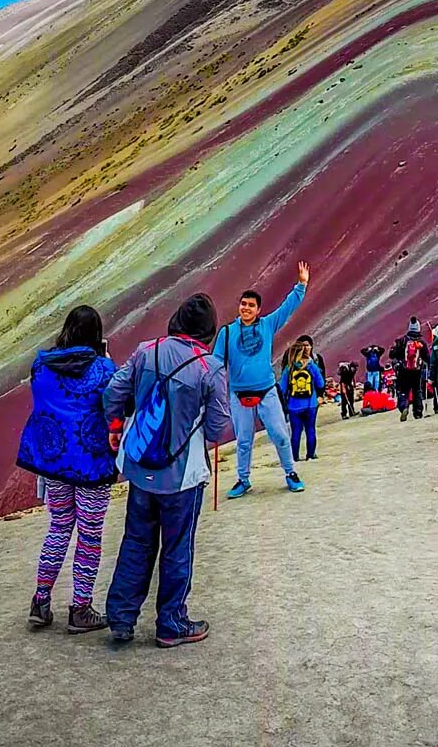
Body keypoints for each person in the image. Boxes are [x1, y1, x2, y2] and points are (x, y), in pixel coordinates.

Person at [103, 294, 233, 647]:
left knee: (136, 541)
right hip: (183, 476)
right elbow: (219, 427)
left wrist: (116, 426)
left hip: (141, 467)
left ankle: (121, 618)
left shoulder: (147, 350)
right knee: (177, 547)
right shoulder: (210, 367)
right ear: (208, 329)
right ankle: (171, 624)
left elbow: (114, 390)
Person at [15, 305, 120, 633]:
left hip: (54, 461)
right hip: (91, 464)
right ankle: (81, 608)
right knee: (89, 535)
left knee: (59, 527)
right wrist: (106, 359)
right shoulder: (104, 369)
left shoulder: (41, 365)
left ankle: (41, 600)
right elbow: (114, 404)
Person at [213, 263, 311, 498]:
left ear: (258, 310)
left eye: (251, 305)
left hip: (266, 391)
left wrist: (302, 284)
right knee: (244, 441)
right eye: (243, 304)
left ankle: (290, 472)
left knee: (279, 434)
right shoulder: (226, 333)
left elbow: (287, 308)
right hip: (238, 395)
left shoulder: (267, 325)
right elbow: (216, 364)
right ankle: (243, 479)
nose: (245, 308)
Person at [279, 339, 325, 461]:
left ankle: (294, 457)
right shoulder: (311, 366)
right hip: (311, 404)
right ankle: (310, 454)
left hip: (294, 405)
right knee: (310, 429)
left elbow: (282, 388)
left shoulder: (289, 368)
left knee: (296, 432)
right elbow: (321, 383)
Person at [393, 317, 428, 421]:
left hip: (404, 371)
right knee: (417, 390)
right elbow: (427, 356)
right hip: (417, 371)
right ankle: (418, 412)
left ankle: (404, 406)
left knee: (403, 390)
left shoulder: (402, 340)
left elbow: (394, 355)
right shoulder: (421, 342)